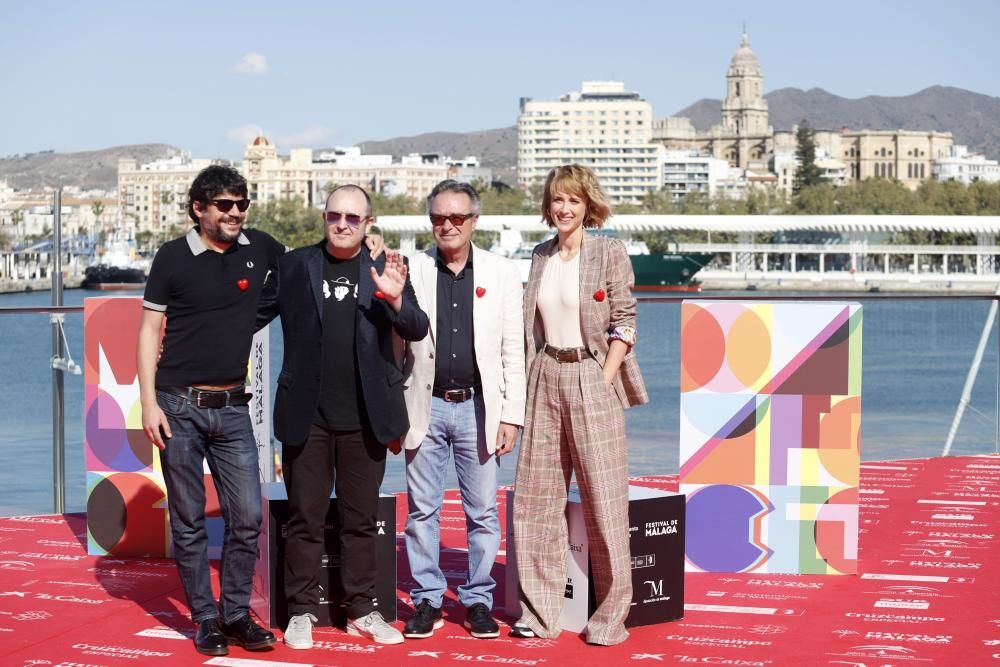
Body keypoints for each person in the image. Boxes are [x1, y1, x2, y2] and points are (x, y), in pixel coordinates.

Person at [256, 184, 429, 648]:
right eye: (336, 215)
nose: (343, 224)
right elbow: (252, 314)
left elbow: (416, 326)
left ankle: (363, 610)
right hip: (305, 417)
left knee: (360, 520)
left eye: (354, 218)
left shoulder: (386, 267)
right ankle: (301, 613)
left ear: (368, 223)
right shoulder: (295, 266)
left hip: (366, 417)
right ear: (324, 217)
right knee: (304, 518)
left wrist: (394, 298)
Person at [137, 165, 284, 656]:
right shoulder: (173, 257)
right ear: (198, 208)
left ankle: (237, 613)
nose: (236, 212)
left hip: (234, 407)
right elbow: (146, 332)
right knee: (189, 521)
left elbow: (304, 270)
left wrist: (364, 246)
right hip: (177, 406)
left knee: (246, 518)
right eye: (224, 205)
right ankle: (205, 618)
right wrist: (147, 403)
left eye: (242, 204)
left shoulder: (261, 248)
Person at [512, 164, 648, 646]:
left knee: (606, 503)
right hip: (544, 376)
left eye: (572, 200)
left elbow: (625, 321)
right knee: (534, 502)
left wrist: (603, 376)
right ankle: (541, 614)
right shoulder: (540, 254)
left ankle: (611, 618)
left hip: (592, 376)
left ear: (588, 205)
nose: (564, 209)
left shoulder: (608, 252)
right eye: (556, 200)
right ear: (547, 207)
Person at [399, 180, 525, 639]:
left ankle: (477, 599)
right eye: (437, 218)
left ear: (474, 221)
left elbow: (515, 350)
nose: (446, 226)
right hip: (424, 408)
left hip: (479, 409)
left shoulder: (503, 272)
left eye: (456, 218)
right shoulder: (411, 268)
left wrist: (512, 415)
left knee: (483, 513)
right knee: (421, 513)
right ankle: (427, 599)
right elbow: (395, 345)